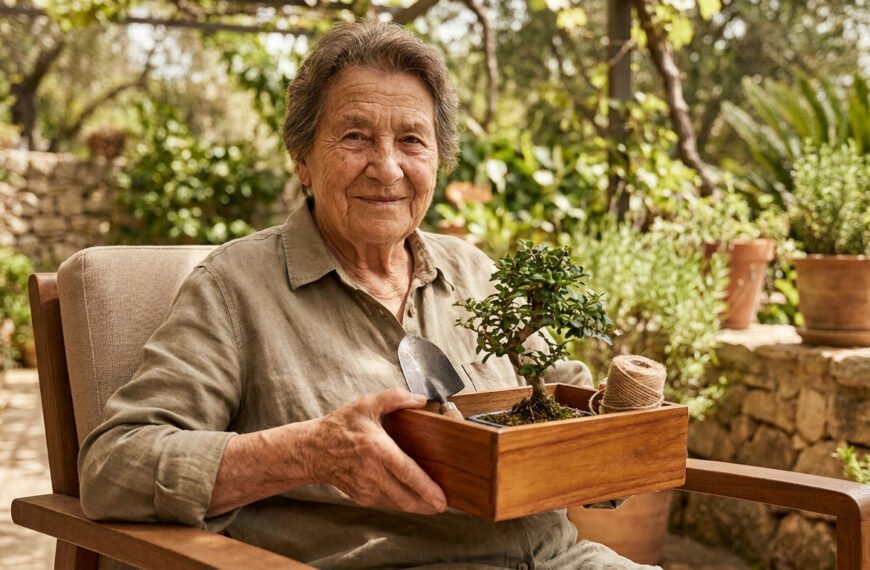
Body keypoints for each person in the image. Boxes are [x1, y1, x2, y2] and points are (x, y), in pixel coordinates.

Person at [78, 21, 658, 570]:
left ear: (438, 160)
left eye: (412, 140)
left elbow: (567, 407)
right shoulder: (235, 288)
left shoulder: (476, 272)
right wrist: (309, 452)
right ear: (302, 160)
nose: (386, 168)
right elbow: (113, 466)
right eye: (355, 136)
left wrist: (621, 425)